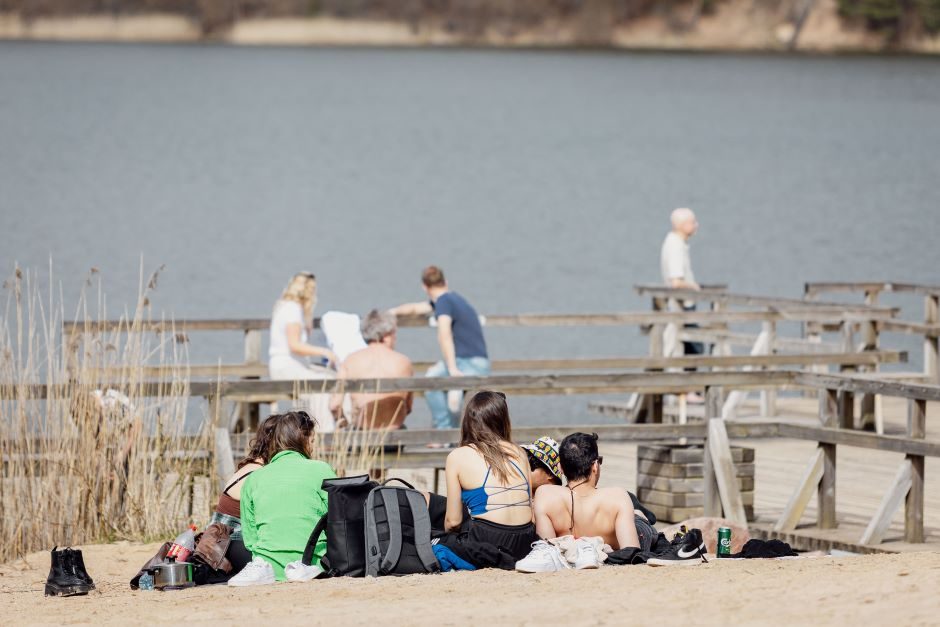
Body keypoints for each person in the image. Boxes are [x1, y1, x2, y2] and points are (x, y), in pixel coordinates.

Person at [429, 391, 537, 570]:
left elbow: (453, 521)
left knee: (436, 541)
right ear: (503, 419)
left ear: (468, 421)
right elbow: (530, 511)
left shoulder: (458, 456)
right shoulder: (519, 452)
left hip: (489, 539)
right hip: (525, 541)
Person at [228, 411, 336, 586]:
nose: (313, 447)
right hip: (313, 561)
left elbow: (250, 538)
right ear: (303, 439)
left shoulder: (254, 478)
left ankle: (265, 566)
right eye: (312, 441)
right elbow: (338, 520)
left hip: (268, 566)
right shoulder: (321, 470)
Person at [390, 266, 490, 432]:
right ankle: (452, 429)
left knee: (431, 382)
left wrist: (452, 368)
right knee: (441, 384)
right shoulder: (453, 299)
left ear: (424, 286)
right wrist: (391, 312)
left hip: (465, 363)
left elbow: (444, 334)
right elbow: (415, 309)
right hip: (480, 361)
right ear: (445, 282)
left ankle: (443, 432)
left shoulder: (443, 302)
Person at [269, 273, 338, 429]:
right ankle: (325, 432)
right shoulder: (293, 310)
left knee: (330, 376)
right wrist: (324, 352)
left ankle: (315, 428)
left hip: (286, 365)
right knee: (324, 385)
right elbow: (295, 345)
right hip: (288, 367)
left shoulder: (284, 306)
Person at [329, 309, 414, 430]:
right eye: (394, 334)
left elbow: (334, 405)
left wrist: (345, 426)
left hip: (361, 438)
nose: (395, 338)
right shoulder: (404, 362)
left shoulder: (350, 361)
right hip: (394, 438)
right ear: (387, 335)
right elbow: (409, 407)